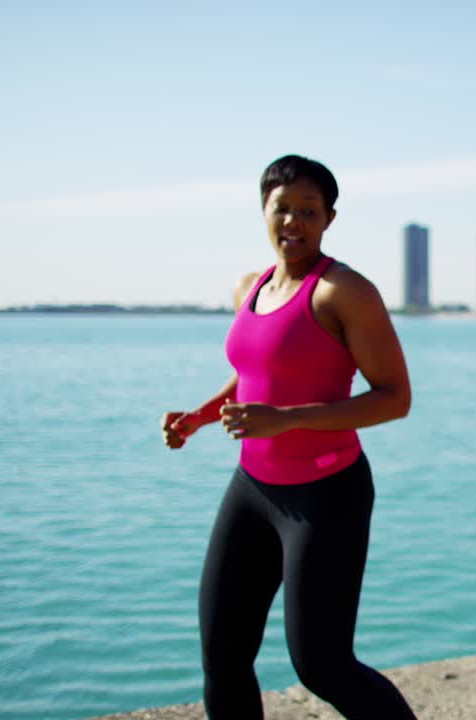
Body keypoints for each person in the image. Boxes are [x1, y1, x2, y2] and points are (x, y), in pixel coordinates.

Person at [160, 154, 417, 719]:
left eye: (309, 210)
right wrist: (200, 417)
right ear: (263, 211)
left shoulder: (343, 291)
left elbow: (395, 398)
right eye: (282, 208)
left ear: (329, 219)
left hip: (327, 494)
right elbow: (256, 375)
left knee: (322, 664)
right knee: (222, 655)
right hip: (253, 488)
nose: (293, 221)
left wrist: (287, 418)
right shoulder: (249, 288)